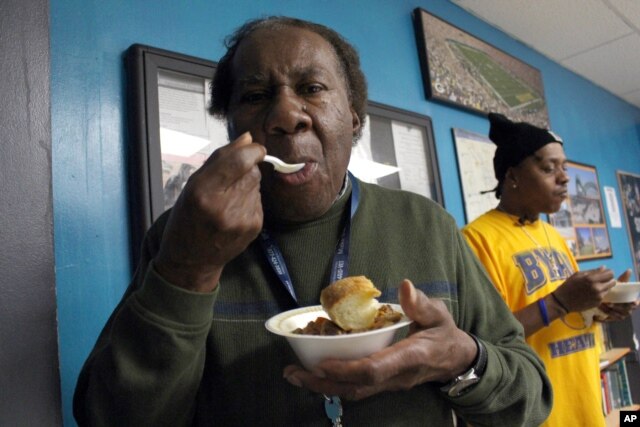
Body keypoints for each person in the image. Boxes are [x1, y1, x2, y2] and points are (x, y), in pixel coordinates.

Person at [74, 17, 552, 426]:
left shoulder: (428, 225)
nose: (285, 115)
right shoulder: (182, 235)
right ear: (231, 128)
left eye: (312, 89)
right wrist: (188, 270)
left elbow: (530, 398)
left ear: (355, 117)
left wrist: (462, 361)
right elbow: (108, 416)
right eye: (257, 95)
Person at [462, 113, 639, 427]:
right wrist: (560, 302)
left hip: (585, 407)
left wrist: (602, 307)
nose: (564, 178)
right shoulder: (477, 240)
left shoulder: (552, 235)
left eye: (564, 168)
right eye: (548, 168)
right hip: (536, 416)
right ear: (513, 176)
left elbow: (571, 313)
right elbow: (484, 341)